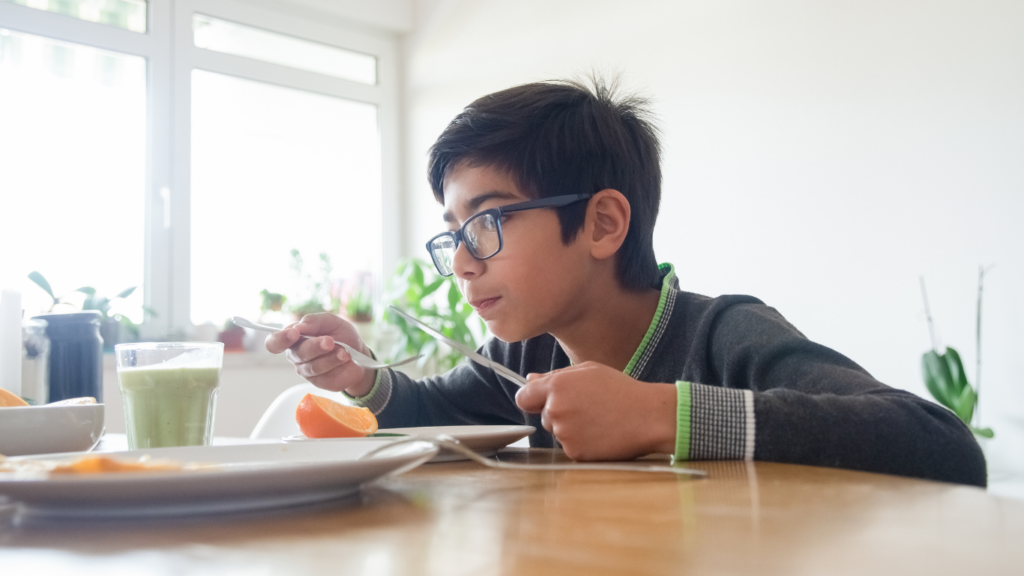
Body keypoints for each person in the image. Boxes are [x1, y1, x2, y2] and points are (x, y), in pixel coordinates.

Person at [266, 78, 986, 487]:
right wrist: (360, 377)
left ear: (604, 224)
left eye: (486, 223)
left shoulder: (724, 334)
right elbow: (429, 418)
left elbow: (943, 446)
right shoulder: (528, 355)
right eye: (452, 235)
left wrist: (660, 414)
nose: (460, 260)